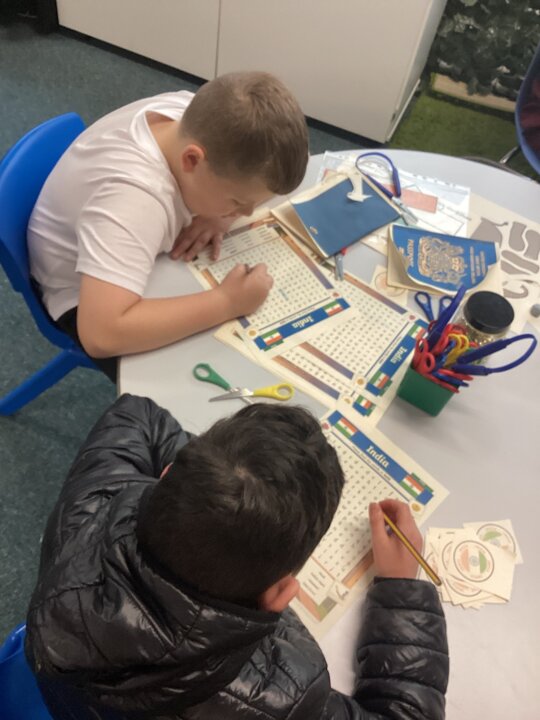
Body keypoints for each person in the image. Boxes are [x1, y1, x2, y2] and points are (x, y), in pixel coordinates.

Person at [25, 394, 449, 720]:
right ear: (280, 596)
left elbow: (137, 415)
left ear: (166, 476)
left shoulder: (90, 503)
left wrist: (214, 487)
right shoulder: (281, 697)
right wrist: (401, 589)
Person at [27, 72, 309, 381]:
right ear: (192, 160)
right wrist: (227, 302)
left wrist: (221, 214)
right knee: (211, 380)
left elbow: (281, 170)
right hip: (84, 298)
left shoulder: (196, 116)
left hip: (118, 253)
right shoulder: (134, 202)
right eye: (238, 201)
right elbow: (101, 335)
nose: (245, 212)